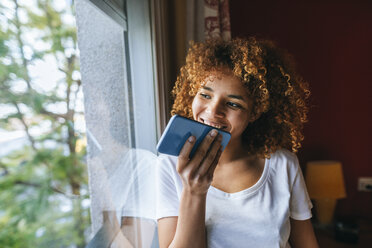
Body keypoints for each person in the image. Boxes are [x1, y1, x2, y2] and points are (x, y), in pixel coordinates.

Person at [156, 37, 319, 248]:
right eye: (205, 94)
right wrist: (194, 190)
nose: (213, 111)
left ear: (254, 113)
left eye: (233, 103)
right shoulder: (169, 166)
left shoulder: (283, 164)